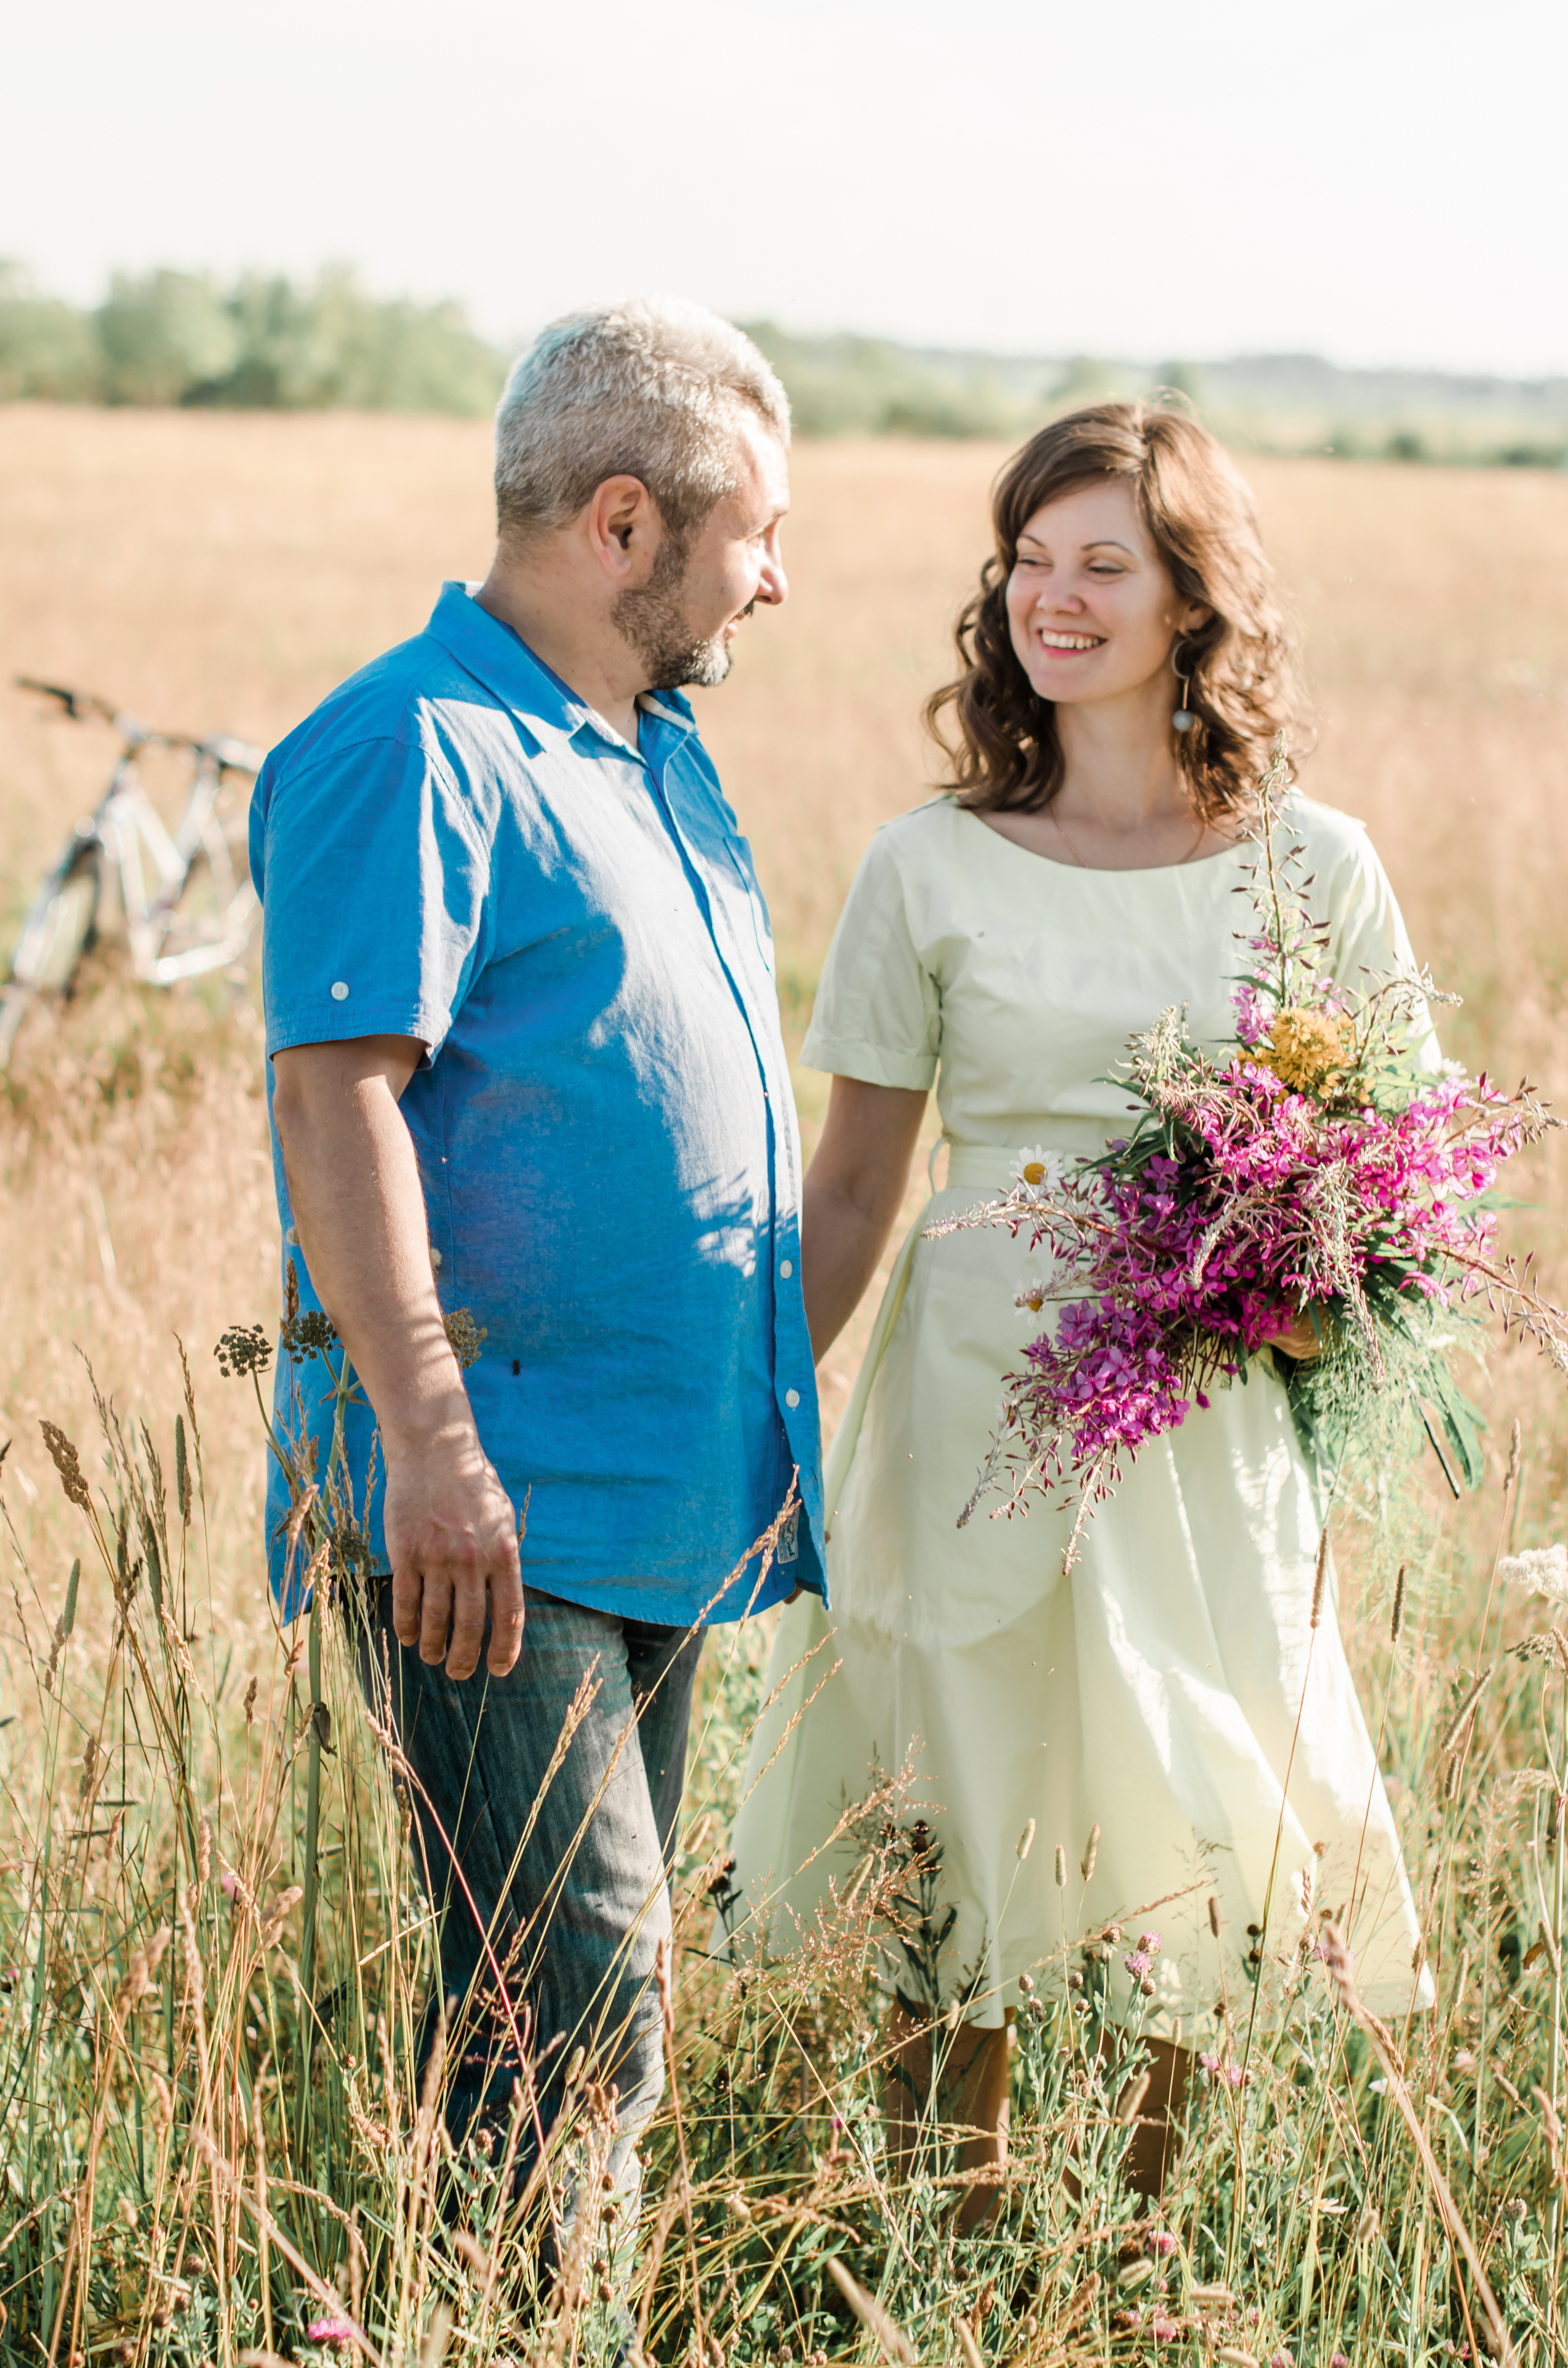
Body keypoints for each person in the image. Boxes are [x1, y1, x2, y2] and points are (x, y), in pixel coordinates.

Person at [726, 400, 1434, 2211]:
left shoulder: (1312, 867)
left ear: (1193, 598)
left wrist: (1292, 1283)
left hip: (1199, 1423)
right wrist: (757, 1421)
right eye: (1031, 560)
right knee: (950, 1799)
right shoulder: (928, 864)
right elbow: (861, 1184)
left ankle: (1140, 2247)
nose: (1056, 597)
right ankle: (940, 2231)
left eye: (1104, 562)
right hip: (966, 1401)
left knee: (1176, 1795)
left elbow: (1400, 1173)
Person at [250, 299, 826, 2227]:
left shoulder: (655, 755)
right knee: (583, 2016)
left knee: (553, 2023)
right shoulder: (410, 741)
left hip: (645, 1503)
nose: (779, 577)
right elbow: (337, 1101)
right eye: (755, 533)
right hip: (487, 1512)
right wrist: (429, 1444)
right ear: (623, 524)